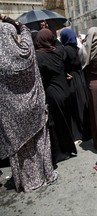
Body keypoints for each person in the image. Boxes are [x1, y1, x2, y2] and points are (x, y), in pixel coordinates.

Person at [0, 14, 57, 192]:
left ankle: (27, 181)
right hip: (33, 105)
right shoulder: (26, 50)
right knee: (40, 140)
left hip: (11, 113)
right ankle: (46, 174)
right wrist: (9, 19)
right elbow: (25, 30)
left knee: (20, 148)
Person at [36, 28, 77, 165]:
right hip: (65, 90)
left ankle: (60, 153)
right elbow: (59, 45)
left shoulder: (38, 57)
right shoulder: (59, 52)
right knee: (66, 122)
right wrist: (52, 36)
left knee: (56, 125)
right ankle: (69, 148)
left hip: (52, 94)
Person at [60, 28, 91, 142]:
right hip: (80, 77)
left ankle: (80, 132)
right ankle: (87, 131)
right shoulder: (77, 48)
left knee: (76, 106)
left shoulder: (66, 50)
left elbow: (61, 64)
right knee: (83, 103)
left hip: (72, 80)